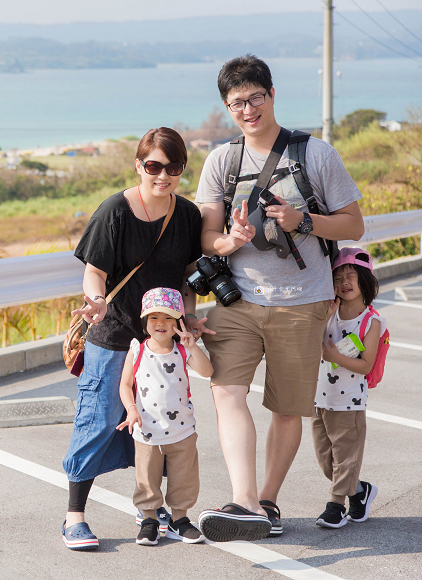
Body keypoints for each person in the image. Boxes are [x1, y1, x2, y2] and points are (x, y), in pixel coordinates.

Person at [195, 55, 365, 542]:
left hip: (302, 301)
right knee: (226, 390)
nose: (247, 110)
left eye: (254, 98)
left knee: (288, 409)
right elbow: (208, 236)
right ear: (227, 108)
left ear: (271, 94)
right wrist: (231, 239)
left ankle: (266, 502)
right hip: (239, 299)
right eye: (235, 103)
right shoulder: (222, 161)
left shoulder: (316, 154)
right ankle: (243, 500)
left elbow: (353, 224)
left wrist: (302, 222)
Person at [61, 127, 210, 551]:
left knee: (162, 421)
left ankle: (157, 509)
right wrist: (95, 301)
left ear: (182, 169)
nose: (163, 176)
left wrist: (190, 319)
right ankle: (75, 517)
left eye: (173, 167)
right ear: (139, 166)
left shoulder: (186, 215)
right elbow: (95, 271)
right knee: (100, 419)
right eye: (154, 166)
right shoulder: (115, 211)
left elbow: (186, 278)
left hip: (162, 340)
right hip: (113, 337)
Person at [116, 288, 213, 546]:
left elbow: (207, 371)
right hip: (147, 430)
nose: (161, 323)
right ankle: (149, 520)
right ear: (145, 321)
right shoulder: (137, 350)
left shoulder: (182, 350)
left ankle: (178, 520)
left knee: (185, 477)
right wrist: (131, 409)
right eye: (154, 317)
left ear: (179, 322)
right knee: (147, 478)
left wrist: (194, 346)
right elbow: (125, 386)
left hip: (182, 430)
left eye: (169, 317)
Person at [313, 247, 383, 528]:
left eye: (350, 275)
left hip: (350, 400)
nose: (344, 281)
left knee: (345, 456)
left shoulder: (371, 321)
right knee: (325, 457)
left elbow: (366, 365)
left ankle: (336, 506)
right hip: (320, 397)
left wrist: (336, 358)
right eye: (338, 276)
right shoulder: (329, 312)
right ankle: (358, 490)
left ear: (365, 280)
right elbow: (314, 344)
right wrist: (323, 317)